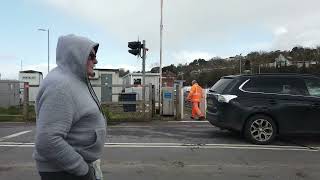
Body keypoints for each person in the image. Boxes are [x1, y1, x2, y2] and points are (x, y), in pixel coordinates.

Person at [33, 34, 106, 180]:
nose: (95, 61)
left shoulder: (75, 80)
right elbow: (48, 140)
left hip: (72, 168)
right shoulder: (61, 86)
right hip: (65, 172)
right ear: (75, 55)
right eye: (90, 56)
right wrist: (83, 170)